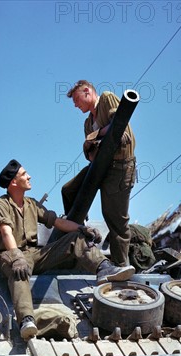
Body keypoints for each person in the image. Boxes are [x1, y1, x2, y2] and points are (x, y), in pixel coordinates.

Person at [0, 159, 135, 340]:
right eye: (24, 174)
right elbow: (5, 232)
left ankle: (104, 268)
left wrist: (81, 229)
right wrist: (16, 256)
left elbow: (57, 222)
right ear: (13, 182)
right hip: (10, 254)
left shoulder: (32, 204)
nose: (29, 176)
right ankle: (26, 319)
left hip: (34, 254)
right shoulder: (1, 205)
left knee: (75, 238)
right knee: (18, 271)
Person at [62, 80, 136, 267]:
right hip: (99, 166)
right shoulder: (88, 123)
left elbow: (117, 125)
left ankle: (120, 266)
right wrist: (95, 140)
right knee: (68, 190)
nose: (75, 105)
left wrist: (95, 138)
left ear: (87, 92)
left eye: (77, 100)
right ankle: (79, 231)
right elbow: (90, 153)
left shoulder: (106, 99)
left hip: (119, 167)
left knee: (115, 219)